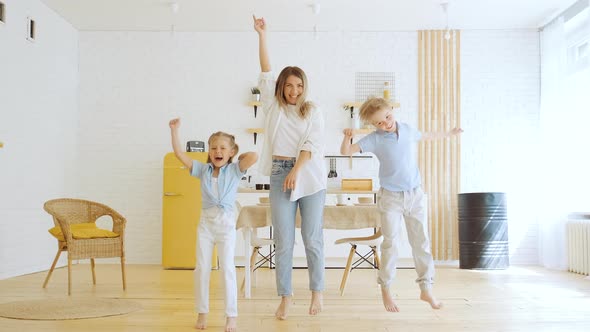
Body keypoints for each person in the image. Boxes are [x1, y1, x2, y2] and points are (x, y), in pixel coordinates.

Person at [340, 97, 462, 312]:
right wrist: (347, 139)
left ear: (392, 110)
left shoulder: (406, 129)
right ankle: (385, 288)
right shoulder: (374, 139)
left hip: (415, 195)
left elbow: (427, 136)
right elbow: (346, 152)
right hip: (391, 199)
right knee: (390, 243)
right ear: (373, 125)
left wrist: (449, 134)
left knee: (421, 242)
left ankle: (426, 288)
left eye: (387, 117)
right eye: (379, 123)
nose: (385, 124)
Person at [253, 15, 327, 320]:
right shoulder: (273, 107)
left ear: (304, 87)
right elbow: (266, 70)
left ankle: (317, 293)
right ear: (282, 87)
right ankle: (285, 297)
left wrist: (296, 171)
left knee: (312, 237)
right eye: (289, 85)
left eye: (299, 86)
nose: (294, 90)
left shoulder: (313, 110)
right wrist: (262, 35)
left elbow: (312, 144)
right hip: (280, 172)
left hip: (308, 176)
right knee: (284, 239)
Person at [169, 118, 258, 332]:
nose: (217, 151)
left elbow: (253, 156)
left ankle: (231, 316)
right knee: (202, 269)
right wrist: (175, 131)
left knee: (227, 269)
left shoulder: (236, 170)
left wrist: (236, 154)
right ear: (209, 151)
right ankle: (202, 312)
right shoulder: (202, 170)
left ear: (230, 152)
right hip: (206, 227)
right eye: (213, 148)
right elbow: (180, 155)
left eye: (223, 148)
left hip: (226, 227)